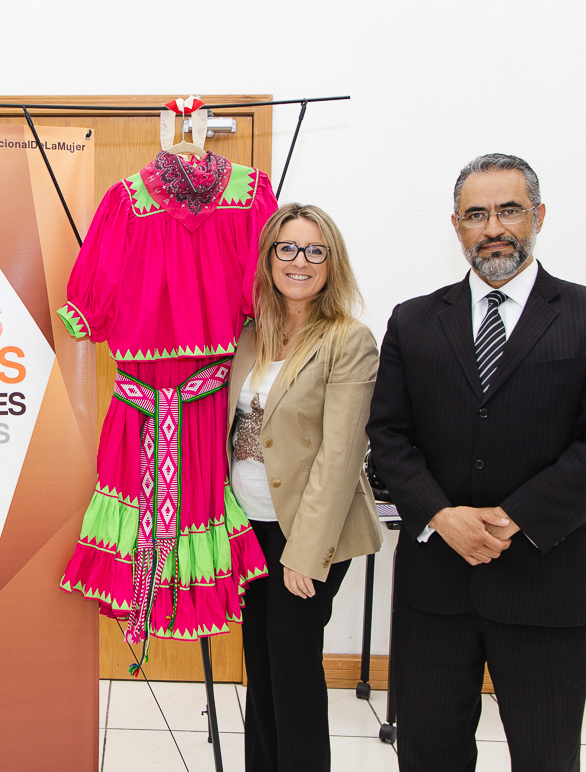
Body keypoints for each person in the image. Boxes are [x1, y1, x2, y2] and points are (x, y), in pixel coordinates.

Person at [367, 153, 586, 771]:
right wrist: (443, 516)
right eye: (476, 214)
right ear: (456, 226)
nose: (493, 227)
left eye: (509, 210)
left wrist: (509, 519)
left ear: (538, 216)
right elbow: (388, 435)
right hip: (435, 586)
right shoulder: (413, 320)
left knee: (546, 757)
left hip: (547, 580)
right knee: (428, 753)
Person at [227, 203, 383, 772]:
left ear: (331, 262)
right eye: (287, 248)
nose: (300, 261)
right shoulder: (250, 336)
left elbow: (341, 457)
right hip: (247, 527)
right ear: (269, 258)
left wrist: (305, 552)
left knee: (291, 664)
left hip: (308, 532)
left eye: (315, 250)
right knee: (261, 662)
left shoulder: (349, 341)